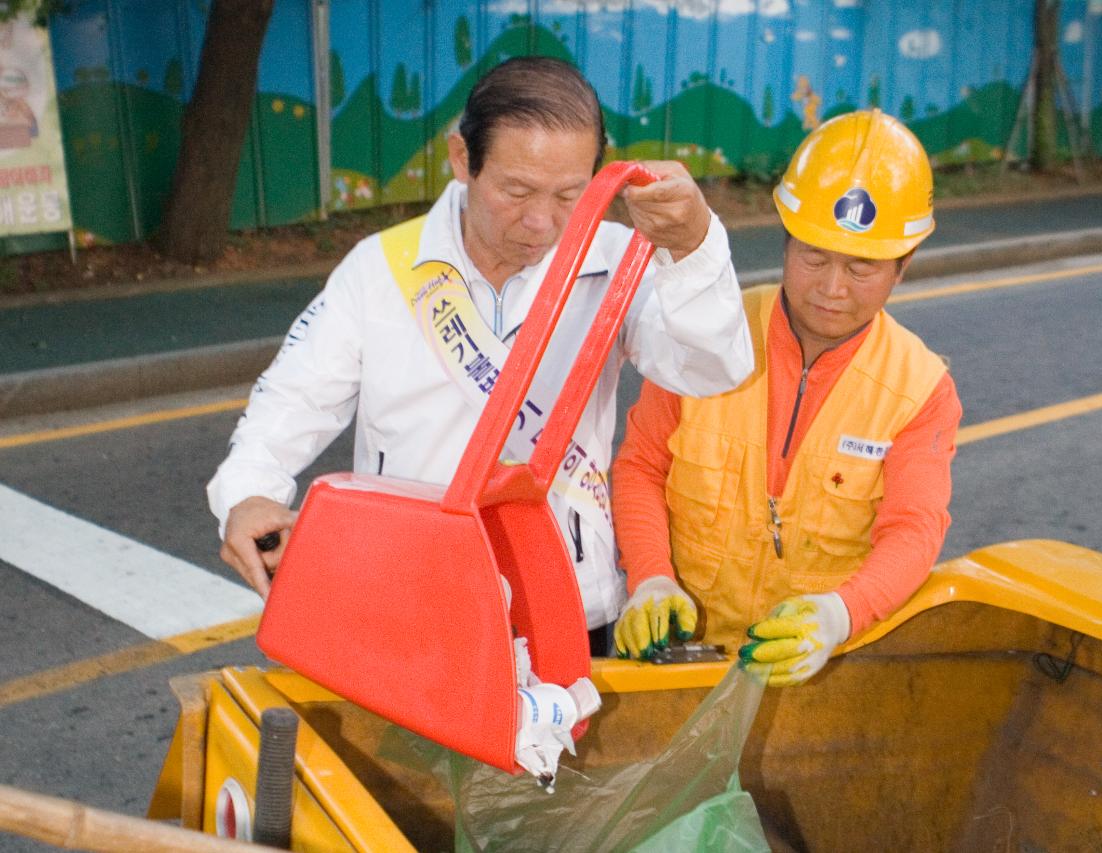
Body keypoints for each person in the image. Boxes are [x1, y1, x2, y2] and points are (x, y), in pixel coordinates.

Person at [207, 57, 753, 655]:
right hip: (409, 599)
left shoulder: (620, 261)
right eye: (516, 190)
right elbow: (293, 398)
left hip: (567, 602)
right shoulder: (382, 266)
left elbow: (711, 371)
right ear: (463, 160)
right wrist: (247, 494)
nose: (542, 221)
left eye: (570, 194)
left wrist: (695, 246)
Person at [611, 109, 962, 685]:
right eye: (813, 256)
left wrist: (838, 616)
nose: (830, 288)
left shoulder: (919, 388)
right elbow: (642, 466)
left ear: (904, 266)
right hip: (682, 658)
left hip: (815, 669)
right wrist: (649, 577)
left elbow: (914, 527)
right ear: (786, 240)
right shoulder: (708, 329)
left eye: (861, 267)